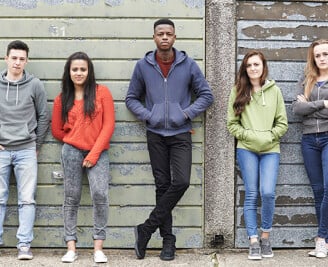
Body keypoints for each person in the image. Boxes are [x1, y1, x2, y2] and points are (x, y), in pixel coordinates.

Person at [125, 18, 213, 261]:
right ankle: (168, 241)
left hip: (180, 133)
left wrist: (185, 113)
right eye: (160, 33)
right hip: (155, 134)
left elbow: (206, 95)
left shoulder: (188, 65)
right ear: (154, 37)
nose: (164, 37)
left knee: (181, 181)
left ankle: (146, 228)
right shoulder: (143, 66)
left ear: (175, 37)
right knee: (162, 187)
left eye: (169, 33)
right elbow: (132, 98)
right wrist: (148, 115)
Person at [51, 52, 115, 263]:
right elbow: (56, 131)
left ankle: (98, 247)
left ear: (89, 71)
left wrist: (94, 152)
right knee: (71, 197)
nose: (79, 73)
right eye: (75, 69)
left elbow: (108, 126)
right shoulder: (62, 98)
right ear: (69, 72)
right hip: (71, 152)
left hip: (99, 152)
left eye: (83, 69)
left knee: (100, 194)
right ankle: (71, 247)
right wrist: (73, 141)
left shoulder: (102, 92)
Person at [227, 51, 288, 260]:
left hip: (271, 149)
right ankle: (253, 240)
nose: (253, 68)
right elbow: (231, 124)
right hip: (246, 149)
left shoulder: (274, 91)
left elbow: (282, 123)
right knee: (252, 193)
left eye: (257, 64)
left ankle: (265, 237)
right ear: (245, 68)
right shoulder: (237, 91)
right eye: (249, 65)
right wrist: (249, 136)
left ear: (263, 67)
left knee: (268, 192)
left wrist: (269, 136)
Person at [0, 40, 50, 260]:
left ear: (26, 61)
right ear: (6, 59)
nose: (17, 62)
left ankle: (24, 245)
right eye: (14, 58)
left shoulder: (35, 85)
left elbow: (44, 116)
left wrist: (36, 145)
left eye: (22, 59)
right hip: (1, 150)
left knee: (27, 199)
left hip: (26, 149)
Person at [292, 39, 328, 258]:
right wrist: (323, 104)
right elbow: (297, 108)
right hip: (309, 141)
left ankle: (321, 238)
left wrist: (309, 106)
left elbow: (305, 107)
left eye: (325, 54)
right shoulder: (307, 79)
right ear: (313, 58)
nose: (322, 58)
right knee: (318, 191)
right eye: (318, 55)